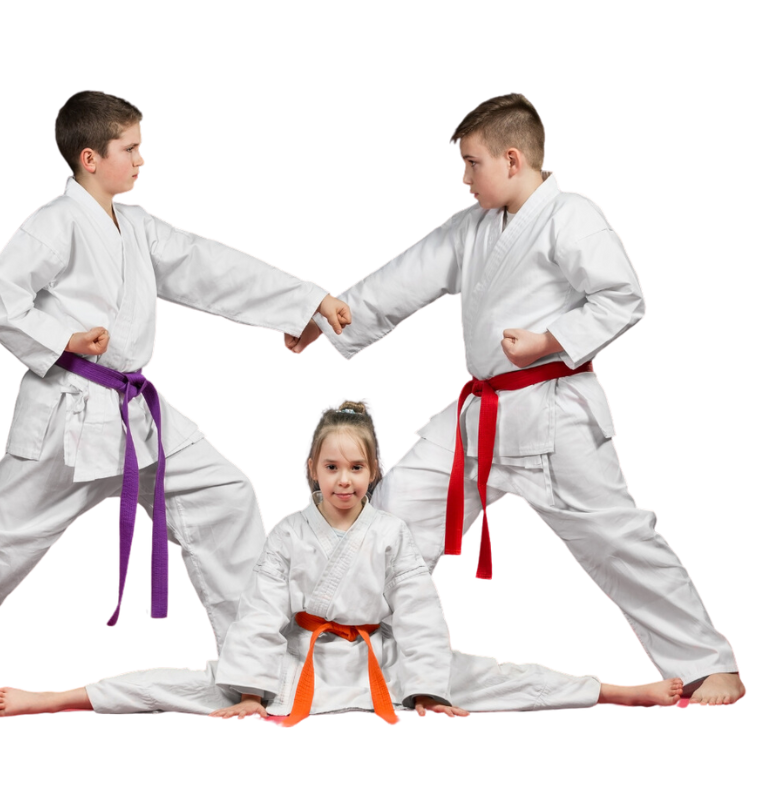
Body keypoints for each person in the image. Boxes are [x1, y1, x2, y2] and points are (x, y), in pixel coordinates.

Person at [0, 89, 351, 700]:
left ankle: (255, 665)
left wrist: (305, 301)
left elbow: (210, 266)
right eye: (131, 149)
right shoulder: (53, 223)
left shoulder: (136, 226)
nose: (142, 159)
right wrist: (62, 337)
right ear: (90, 157)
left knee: (226, 497)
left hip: (137, 410)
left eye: (142, 147)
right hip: (70, 411)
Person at [286, 93, 746, 707]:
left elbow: (624, 297)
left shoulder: (571, 215)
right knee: (391, 514)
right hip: (478, 415)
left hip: (552, 409)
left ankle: (709, 663)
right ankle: (367, 656)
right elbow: (404, 277)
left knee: (617, 539)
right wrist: (330, 320)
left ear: (510, 158)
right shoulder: (472, 225)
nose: (463, 176)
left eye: (471, 163)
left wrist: (549, 341)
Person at [0, 399, 683, 721]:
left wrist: (431, 685)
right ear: (312, 472)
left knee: (502, 679)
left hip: (381, 664)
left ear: (374, 471)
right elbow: (260, 612)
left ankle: (631, 692)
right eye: (333, 467)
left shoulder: (391, 535)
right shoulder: (289, 534)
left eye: (357, 467)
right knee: (182, 687)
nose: (345, 479)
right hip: (297, 664)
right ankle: (49, 700)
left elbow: (419, 610)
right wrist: (253, 689)